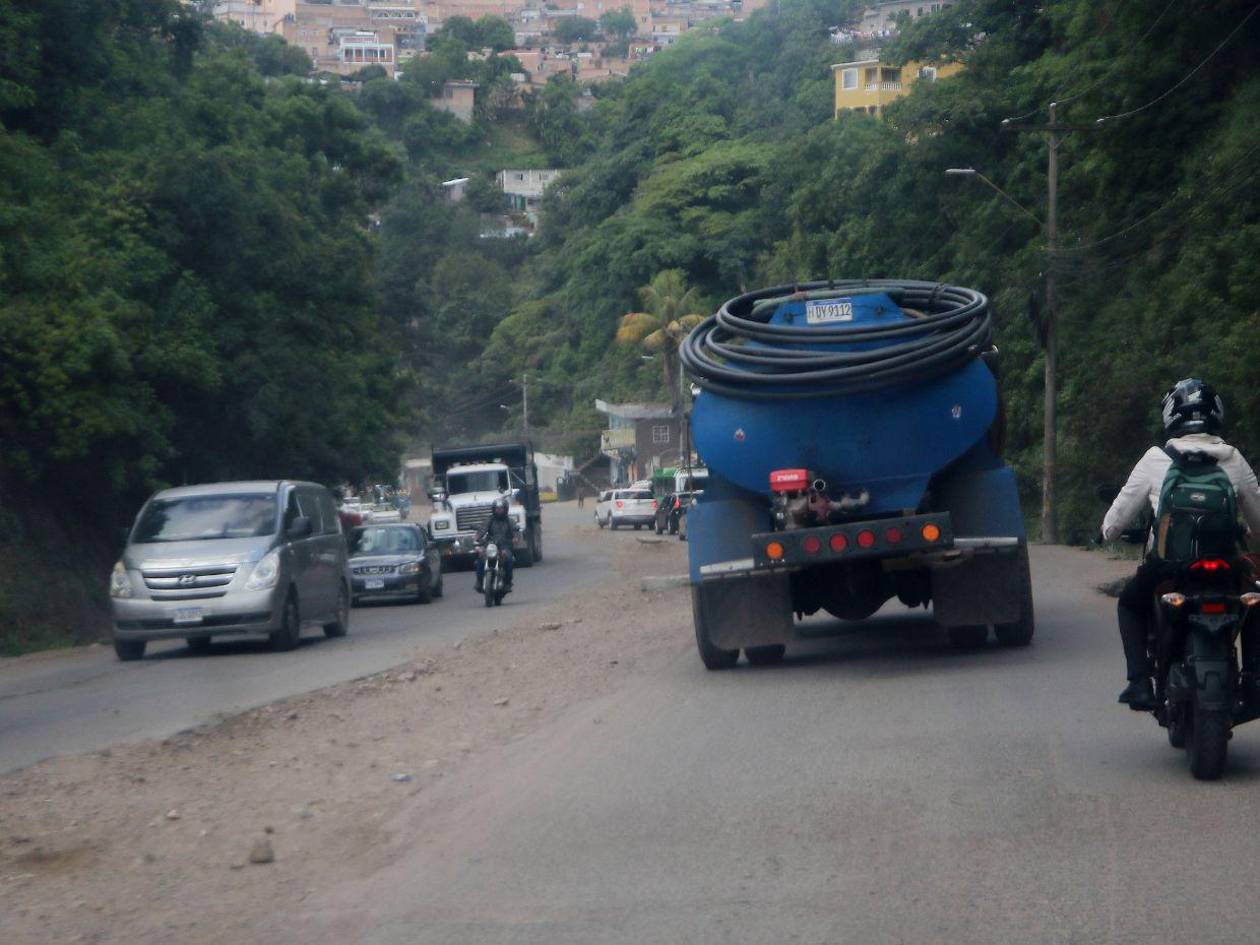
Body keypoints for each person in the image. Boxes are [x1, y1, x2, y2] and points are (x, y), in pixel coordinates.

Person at [1101, 378, 1260, 709]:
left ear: (1172, 416)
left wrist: (1108, 532)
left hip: (1168, 567)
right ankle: (1255, 679)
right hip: (1226, 567)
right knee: (1254, 601)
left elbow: (1113, 526)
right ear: (1216, 415)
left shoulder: (1155, 458)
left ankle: (1140, 683)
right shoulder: (1233, 458)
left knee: (1129, 604)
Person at [474, 497, 518, 594]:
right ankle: (479, 581)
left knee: (509, 559)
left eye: (501, 508)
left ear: (505, 509)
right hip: (491, 545)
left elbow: (514, 530)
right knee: (481, 558)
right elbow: (483, 529)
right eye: (497, 508)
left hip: (504, 546)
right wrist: (477, 537)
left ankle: (507, 583)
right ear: (494, 509)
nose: (499, 510)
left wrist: (514, 538)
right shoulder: (490, 520)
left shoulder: (509, 521)